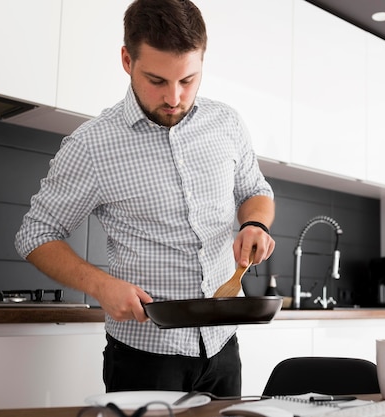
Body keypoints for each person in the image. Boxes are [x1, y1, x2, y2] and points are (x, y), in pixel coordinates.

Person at [14, 0, 275, 397]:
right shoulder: (92, 145)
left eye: (188, 80)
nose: (174, 97)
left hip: (223, 346)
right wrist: (101, 286)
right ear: (126, 59)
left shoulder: (226, 123)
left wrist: (255, 224)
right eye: (157, 80)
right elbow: (35, 234)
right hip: (146, 356)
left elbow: (255, 191)